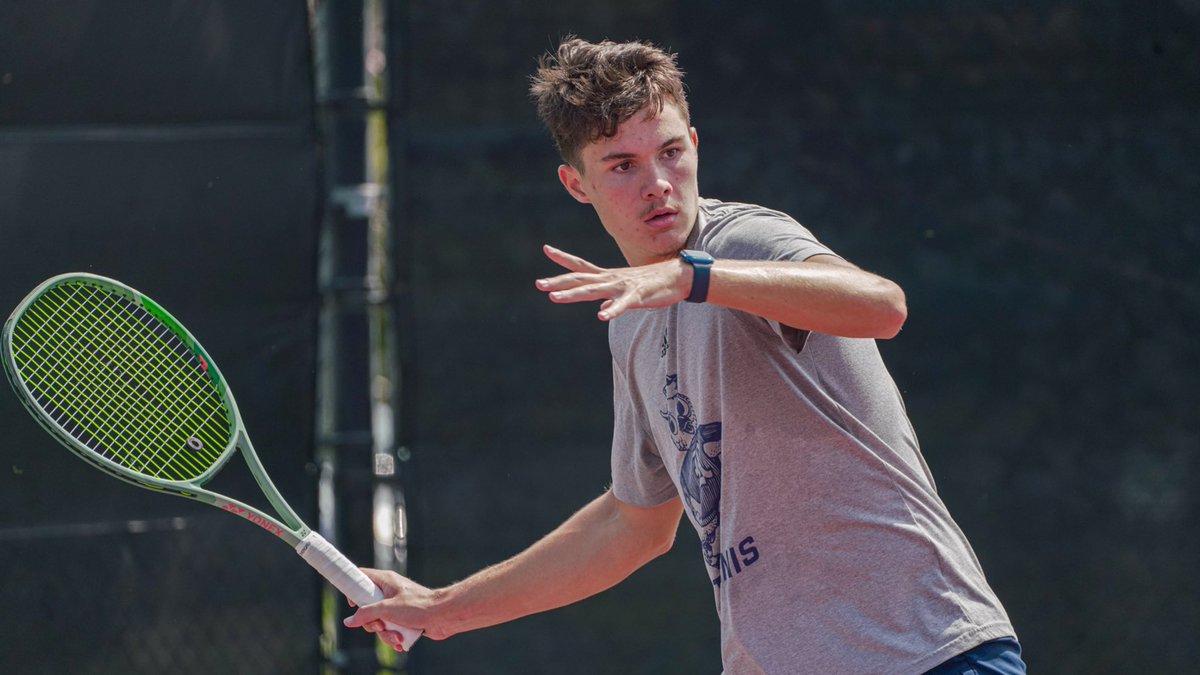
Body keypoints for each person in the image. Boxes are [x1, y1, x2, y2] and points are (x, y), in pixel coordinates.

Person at [343, 37, 1024, 674]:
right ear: (576, 184)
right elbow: (630, 525)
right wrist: (442, 608)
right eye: (623, 165)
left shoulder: (745, 241)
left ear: (695, 143)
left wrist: (693, 276)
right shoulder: (632, 325)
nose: (659, 183)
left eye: (671, 152)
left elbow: (882, 306)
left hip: (928, 654)